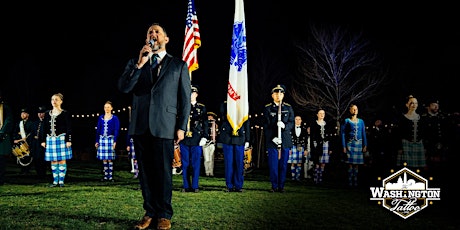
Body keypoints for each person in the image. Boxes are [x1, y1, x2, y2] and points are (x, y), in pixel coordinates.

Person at [117, 23, 191, 230]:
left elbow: (185, 100)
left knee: (164, 173)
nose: (153, 34)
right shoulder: (136, 62)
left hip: (165, 127)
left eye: (157, 32)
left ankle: (164, 214)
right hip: (140, 126)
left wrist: (181, 127)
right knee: (146, 174)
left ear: (166, 39)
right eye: (150, 31)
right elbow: (124, 87)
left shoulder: (178, 65)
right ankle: (149, 212)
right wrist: (140, 65)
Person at [263, 85, 294, 193]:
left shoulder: (288, 108)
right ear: (272, 95)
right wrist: (272, 138)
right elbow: (266, 125)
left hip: (285, 140)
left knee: (283, 165)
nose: (278, 95)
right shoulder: (268, 108)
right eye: (276, 93)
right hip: (273, 141)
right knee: (273, 165)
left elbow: (292, 123)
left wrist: (284, 126)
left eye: (280, 93)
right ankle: (274, 186)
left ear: (283, 95)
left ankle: (281, 186)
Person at [40, 93, 72, 188]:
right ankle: (55, 181)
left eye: (56, 99)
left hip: (61, 138)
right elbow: (44, 128)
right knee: (53, 160)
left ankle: (61, 181)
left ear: (61, 101)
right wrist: (43, 140)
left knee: (62, 160)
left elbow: (69, 128)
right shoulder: (47, 113)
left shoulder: (65, 113)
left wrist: (68, 140)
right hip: (50, 139)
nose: (54, 101)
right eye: (52, 99)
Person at [180, 85, 208, 193]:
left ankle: (195, 185)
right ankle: (186, 185)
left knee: (196, 163)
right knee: (185, 163)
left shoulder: (201, 107)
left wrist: (205, 137)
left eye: (192, 93)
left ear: (196, 94)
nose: (190, 95)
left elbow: (205, 123)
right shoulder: (183, 106)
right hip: (185, 138)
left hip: (197, 138)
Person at [219, 101, 250, 192]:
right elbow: (222, 114)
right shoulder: (225, 103)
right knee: (229, 164)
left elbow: (246, 122)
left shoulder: (243, 102)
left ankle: (238, 185)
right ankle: (229, 185)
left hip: (240, 138)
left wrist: (247, 139)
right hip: (228, 138)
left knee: (239, 163)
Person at [395, 95, 426, 173]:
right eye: (411, 103)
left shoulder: (421, 118)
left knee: (419, 170)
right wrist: (399, 147)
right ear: (407, 105)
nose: (414, 105)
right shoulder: (402, 118)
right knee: (407, 169)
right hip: (406, 145)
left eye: (415, 103)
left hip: (419, 145)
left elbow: (424, 133)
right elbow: (398, 134)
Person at [421, 99, 449, 177]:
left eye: (437, 105)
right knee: (427, 168)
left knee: (440, 167)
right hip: (428, 145)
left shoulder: (442, 117)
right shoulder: (423, 118)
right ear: (428, 107)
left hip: (440, 145)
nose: (436, 107)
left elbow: (447, 132)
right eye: (433, 105)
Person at [341, 104, 367, 187]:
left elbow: (363, 133)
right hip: (350, 144)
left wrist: (365, 145)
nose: (355, 110)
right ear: (350, 110)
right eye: (353, 109)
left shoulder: (361, 121)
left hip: (359, 143)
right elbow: (343, 134)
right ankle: (349, 181)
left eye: (356, 109)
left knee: (356, 164)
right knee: (350, 164)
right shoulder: (347, 121)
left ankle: (355, 181)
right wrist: (344, 146)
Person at [95, 101, 120, 182]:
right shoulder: (101, 117)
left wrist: (115, 141)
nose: (107, 109)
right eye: (105, 107)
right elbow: (98, 130)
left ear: (111, 108)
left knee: (110, 159)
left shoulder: (115, 118)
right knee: (104, 159)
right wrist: (97, 141)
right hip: (102, 139)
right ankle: (106, 176)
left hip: (110, 139)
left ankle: (110, 176)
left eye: (108, 107)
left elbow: (116, 130)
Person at [310, 109, 334, 184]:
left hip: (326, 144)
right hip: (317, 144)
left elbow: (330, 137)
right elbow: (312, 136)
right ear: (317, 114)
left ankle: (321, 179)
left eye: (323, 113)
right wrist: (312, 147)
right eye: (320, 113)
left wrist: (330, 148)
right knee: (317, 162)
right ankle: (316, 178)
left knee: (323, 162)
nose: (322, 115)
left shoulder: (327, 124)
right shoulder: (314, 124)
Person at [13, 108, 35, 174]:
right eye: (21, 113)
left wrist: (25, 138)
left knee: (27, 157)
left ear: (28, 114)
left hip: (28, 143)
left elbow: (32, 133)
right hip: (20, 143)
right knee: (21, 156)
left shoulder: (31, 123)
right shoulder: (19, 123)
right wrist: (16, 139)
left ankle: (27, 170)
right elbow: (15, 132)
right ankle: (22, 170)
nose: (22, 115)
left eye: (24, 113)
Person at [0, 89, 14, 185]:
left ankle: (1, 179)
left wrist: (2, 132)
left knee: (1, 160)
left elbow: (8, 121)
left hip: (2, 137)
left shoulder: (4, 107)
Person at [30, 106, 48, 179]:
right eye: (39, 113)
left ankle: (43, 174)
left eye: (42, 113)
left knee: (43, 160)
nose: (40, 114)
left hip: (43, 143)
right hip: (36, 144)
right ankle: (39, 174)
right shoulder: (35, 123)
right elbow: (32, 133)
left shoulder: (47, 122)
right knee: (36, 159)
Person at [288, 115, 308, 181]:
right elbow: (288, 139)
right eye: (296, 119)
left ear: (301, 120)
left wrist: (305, 149)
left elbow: (306, 141)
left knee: (299, 162)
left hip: (301, 147)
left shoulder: (304, 130)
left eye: (299, 119)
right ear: (294, 120)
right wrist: (289, 148)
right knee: (293, 162)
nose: (298, 121)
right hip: (292, 146)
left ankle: (298, 177)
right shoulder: (291, 129)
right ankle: (293, 177)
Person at [203, 111, 218, 177]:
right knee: (206, 159)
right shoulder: (204, 124)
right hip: (205, 143)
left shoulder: (215, 125)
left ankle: (211, 172)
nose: (210, 118)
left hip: (212, 143)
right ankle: (207, 172)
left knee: (211, 158)